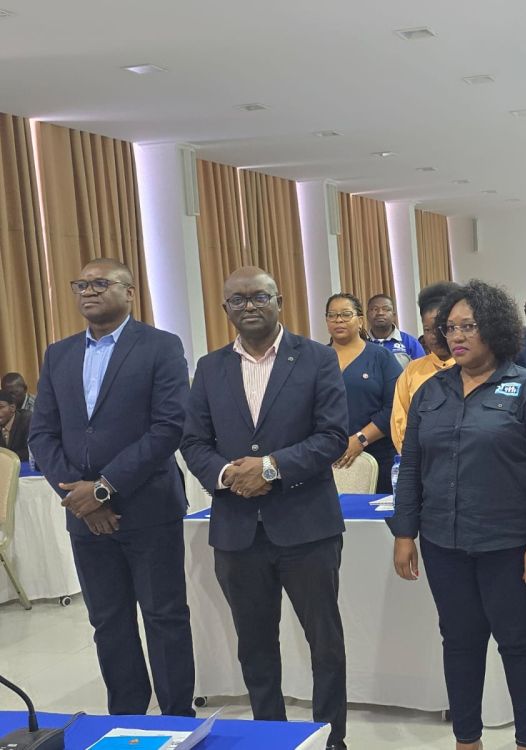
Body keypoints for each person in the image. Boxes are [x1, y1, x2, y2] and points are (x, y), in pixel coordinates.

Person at [389, 280, 526, 750]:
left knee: (520, 643)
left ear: (495, 328)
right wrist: (405, 533)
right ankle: (467, 740)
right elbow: (412, 467)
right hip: (443, 544)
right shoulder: (430, 392)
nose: (457, 336)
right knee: (459, 642)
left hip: (509, 547)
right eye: (450, 328)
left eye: (468, 326)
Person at [180, 266, 350, 750]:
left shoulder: (316, 358)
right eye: (237, 299)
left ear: (280, 301)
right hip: (237, 530)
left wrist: (270, 468)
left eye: (259, 296)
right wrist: (229, 475)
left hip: (307, 526)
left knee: (325, 643)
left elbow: (332, 435)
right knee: (254, 646)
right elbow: (193, 441)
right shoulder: (210, 367)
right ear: (225, 309)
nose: (249, 306)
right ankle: (271, 736)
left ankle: (330, 738)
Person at [28, 258, 195, 717]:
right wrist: (80, 498)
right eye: (81, 284)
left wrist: (102, 489)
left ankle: (177, 718)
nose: (89, 291)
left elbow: (169, 426)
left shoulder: (161, 346)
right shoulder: (59, 353)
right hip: (85, 518)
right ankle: (126, 717)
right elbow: (42, 433)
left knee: (164, 618)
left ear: (130, 292)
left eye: (100, 283)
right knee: (108, 622)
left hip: (148, 509)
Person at [327, 293, 402, 493]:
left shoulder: (381, 357)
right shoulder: (317, 359)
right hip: (327, 457)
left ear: (360, 320)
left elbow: (395, 406)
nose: (339, 320)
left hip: (377, 456)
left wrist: (360, 439)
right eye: (332, 315)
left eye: (346, 314)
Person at [390, 281, 459, 453]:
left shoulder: (470, 367)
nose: (434, 336)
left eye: (440, 328)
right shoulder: (412, 371)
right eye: (427, 330)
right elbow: (400, 421)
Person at [366, 294, 425, 368]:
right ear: (367, 315)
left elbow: (423, 371)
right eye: (375, 309)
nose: (380, 313)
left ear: (394, 315)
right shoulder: (361, 342)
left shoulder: (410, 342)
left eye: (386, 309)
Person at [0, 389, 31, 461]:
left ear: (12, 408)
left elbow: (31, 451)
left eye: (0, 407)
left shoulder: (28, 420)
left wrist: (5, 457)